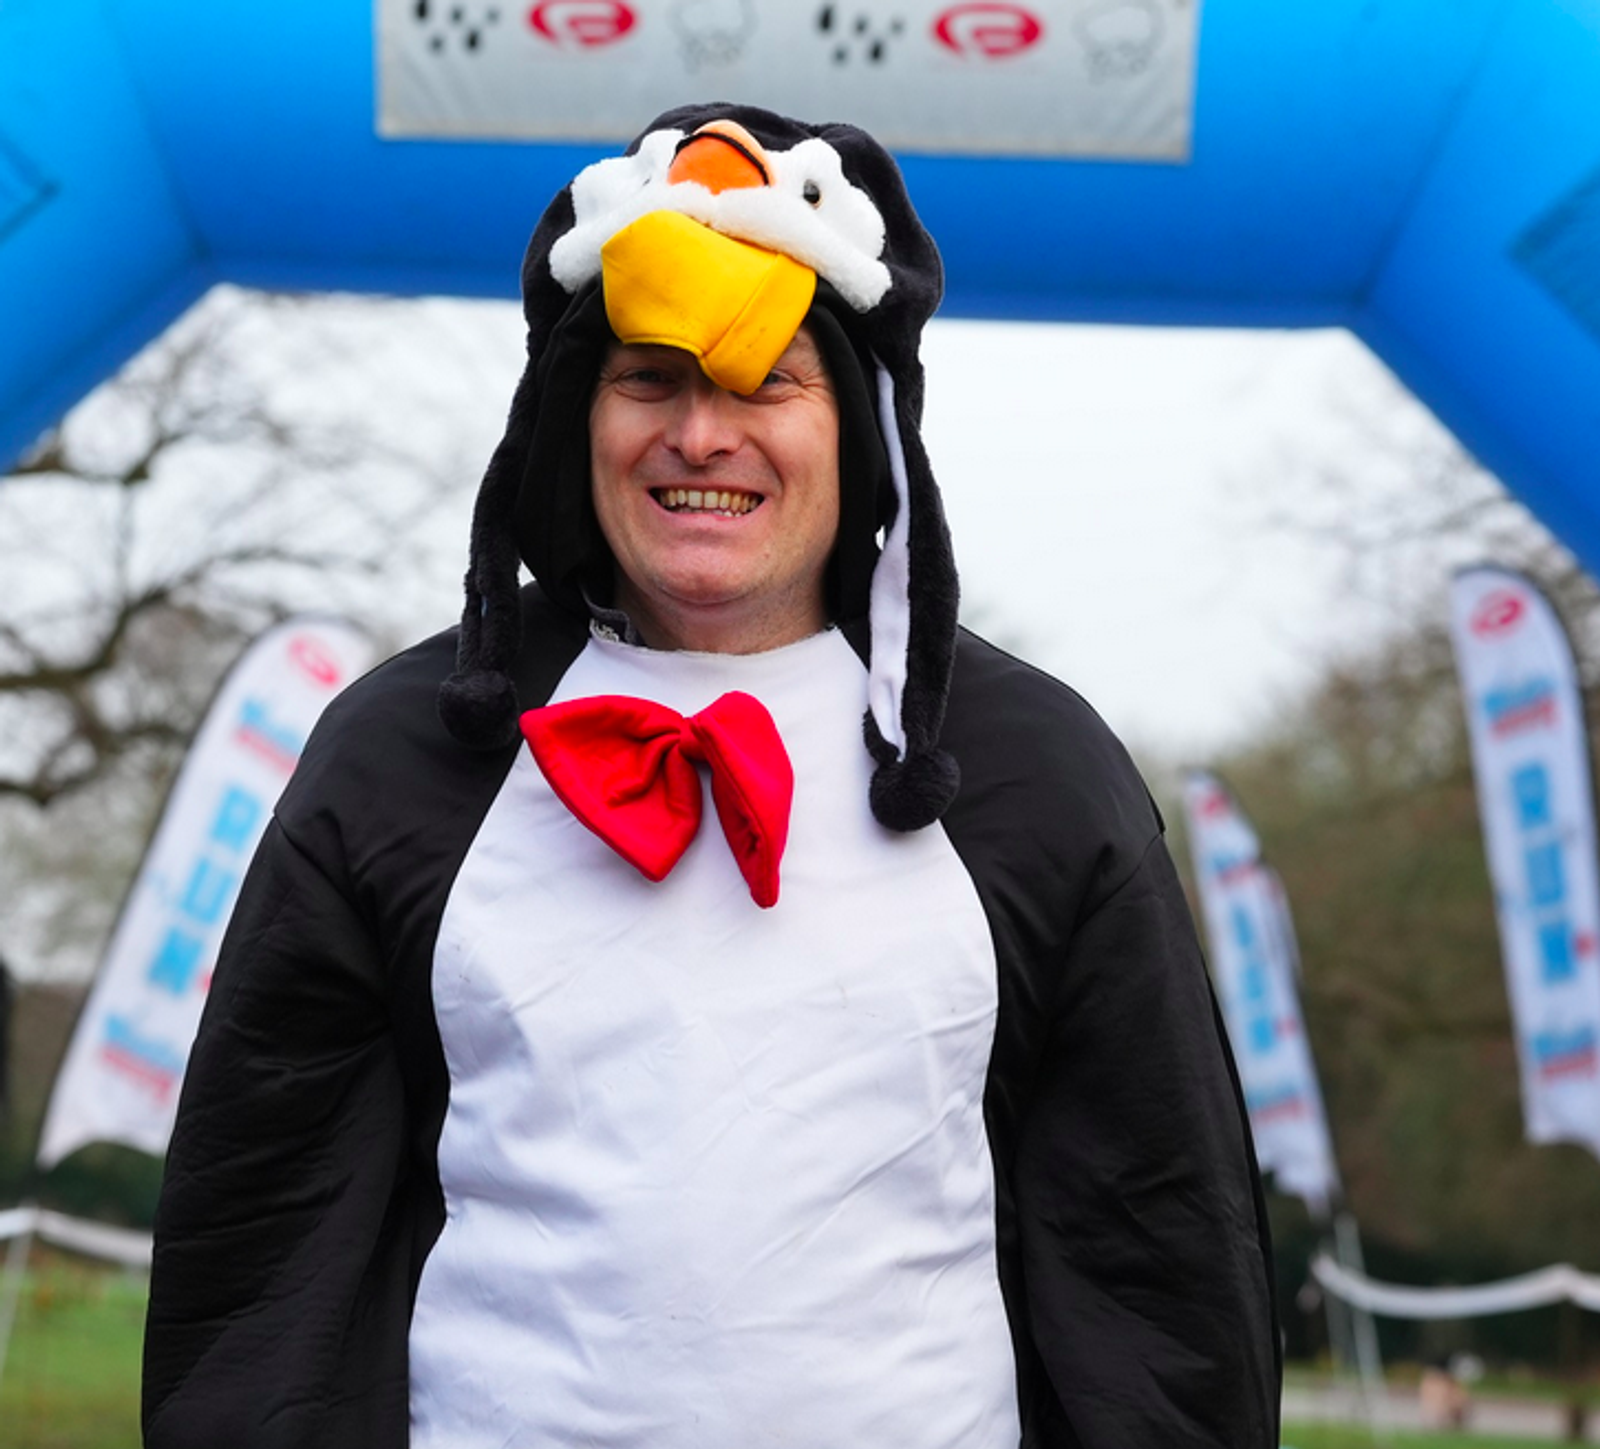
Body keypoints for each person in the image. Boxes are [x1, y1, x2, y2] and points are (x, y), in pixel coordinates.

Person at [143, 103, 1280, 1448]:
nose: (701, 436)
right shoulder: (403, 758)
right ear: (577, 413)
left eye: (764, 381)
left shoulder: (1036, 777)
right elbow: (266, 1253)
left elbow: (1158, 1277)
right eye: (651, 380)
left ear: (857, 427)